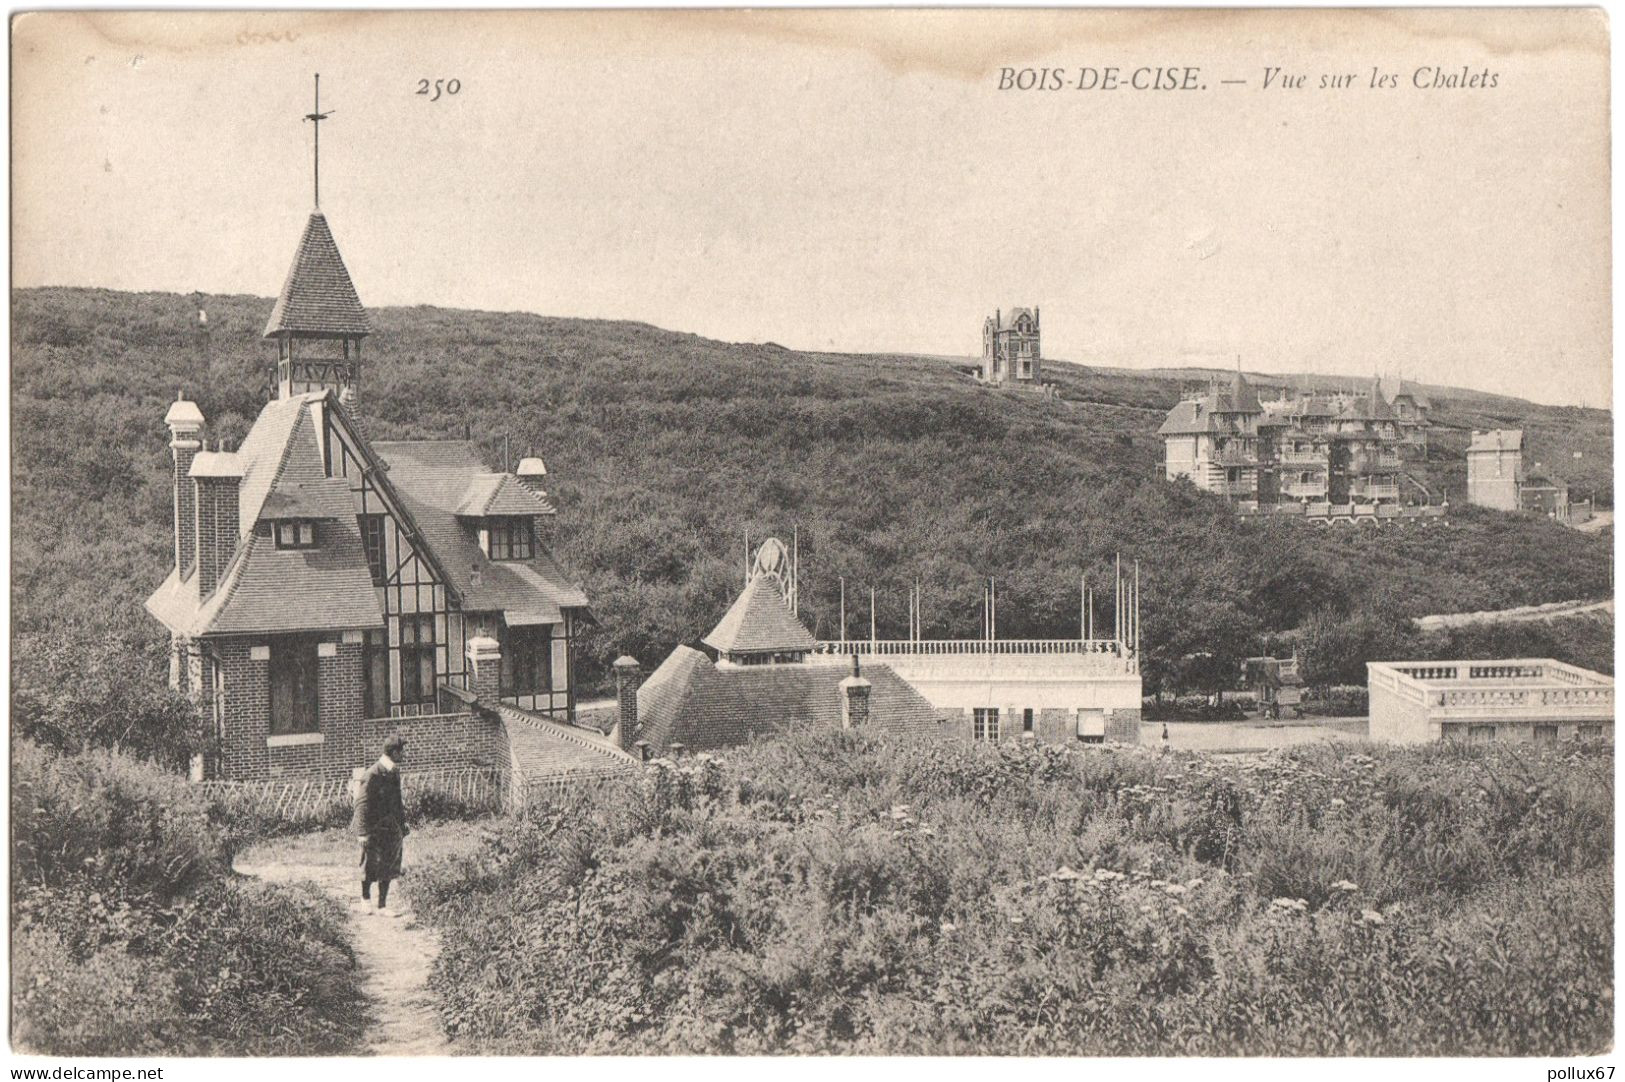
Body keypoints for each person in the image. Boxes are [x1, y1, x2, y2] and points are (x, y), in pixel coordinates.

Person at [356, 734, 410, 916]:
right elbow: (362, 804)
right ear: (394, 752)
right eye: (402, 751)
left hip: (390, 827)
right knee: (370, 863)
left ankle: (382, 905)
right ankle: (365, 900)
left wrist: (402, 825)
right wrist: (362, 832)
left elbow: (397, 802)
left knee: (389, 863)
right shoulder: (372, 774)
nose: (404, 754)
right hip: (373, 827)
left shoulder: (394, 772)